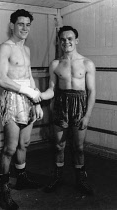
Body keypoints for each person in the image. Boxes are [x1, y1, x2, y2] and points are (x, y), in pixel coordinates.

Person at [0, 9, 43, 210]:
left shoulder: (26, 49)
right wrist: (27, 91)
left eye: (28, 24)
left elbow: (29, 75)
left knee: (25, 143)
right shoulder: (4, 48)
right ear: (12, 25)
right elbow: (1, 79)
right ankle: (4, 191)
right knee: (10, 148)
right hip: (13, 98)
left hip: (28, 99)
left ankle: (21, 178)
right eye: (21, 24)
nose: (25, 28)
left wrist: (37, 100)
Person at [40, 26, 96, 195]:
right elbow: (52, 89)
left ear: (76, 40)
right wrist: (40, 97)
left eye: (70, 38)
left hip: (80, 106)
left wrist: (87, 116)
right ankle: (58, 178)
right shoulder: (55, 64)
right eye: (63, 39)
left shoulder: (87, 63)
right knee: (59, 146)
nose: (66, 42)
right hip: (60, 105)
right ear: (59, 41)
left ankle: (81, 180)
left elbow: (92, 91)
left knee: (78, 147)